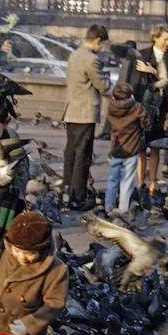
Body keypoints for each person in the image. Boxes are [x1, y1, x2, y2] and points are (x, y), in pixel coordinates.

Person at [118, 23, 168, 203]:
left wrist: (154, 72)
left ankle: (152, 184)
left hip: (163, 110)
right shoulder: (141, 56)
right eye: (165, 39)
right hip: (142, 110)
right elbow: (132, 84)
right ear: (155, 37)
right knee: (141, 148)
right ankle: (140, 184)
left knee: (156, 147)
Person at [62, 24, 111, 211]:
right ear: (98, 40)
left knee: (71, 154)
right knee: (83, 156)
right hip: (85, 113)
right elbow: (103, 86)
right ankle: (78, 198)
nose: (103, 48)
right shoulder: (92, 59)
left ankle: (66, 192)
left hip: (72, 111)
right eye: (103, 44)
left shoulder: (74, 54)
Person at [104, 82, 148, 215]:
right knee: (127, 181)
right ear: (131, 96)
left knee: (112, 180)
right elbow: (146, 123)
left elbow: (111, 128)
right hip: (132, 149)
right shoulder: (137, 107)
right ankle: (123, 210)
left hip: (116, 149)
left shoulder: (111, 108)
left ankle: (109, 208)